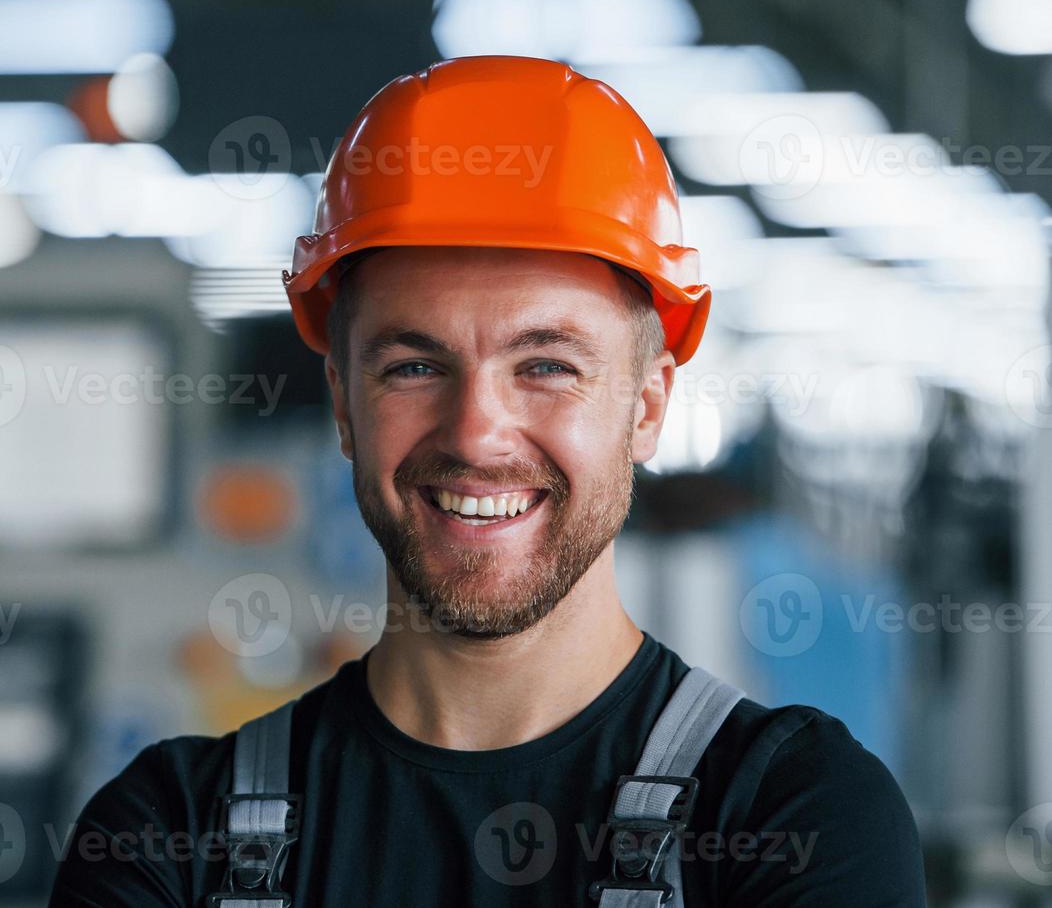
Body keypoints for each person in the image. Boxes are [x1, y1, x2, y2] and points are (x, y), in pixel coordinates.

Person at [49, 56, 927, 906]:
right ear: (344, 407)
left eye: (545, 365)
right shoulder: (166, 836)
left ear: (649, 406)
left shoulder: (793, 820)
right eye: (413, 368)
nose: (475, 433)